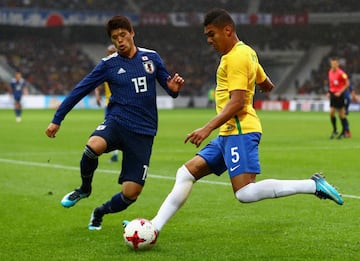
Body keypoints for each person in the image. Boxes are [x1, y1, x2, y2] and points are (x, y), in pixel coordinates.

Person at [136, 9, 343, 235]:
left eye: (211, 34)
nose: (208, 40)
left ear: (228, 30)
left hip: (240, 130)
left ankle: (313, 185)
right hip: (228, 133)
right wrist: (258, 83)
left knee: (244, 193)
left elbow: (238, 103)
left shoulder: (236, 56)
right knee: (185, 173)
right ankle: (154, 227)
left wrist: (206, 128)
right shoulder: (247, 53)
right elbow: (267, 85)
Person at [45, 15, 184, 231]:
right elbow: (79, 90)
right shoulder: (108, 65)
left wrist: (174, 88)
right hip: (117, 123)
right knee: (93, 146)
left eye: (123, 35)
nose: (119, 40)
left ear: (132, 34)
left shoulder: (152, 58)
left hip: (143, 133)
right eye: (114, 37)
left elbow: (169, 87)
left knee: (131, 194)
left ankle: (99, 212)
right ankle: (84, 188)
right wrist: (57, 119)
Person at [94, 44, 119, 162]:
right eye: (109, 52)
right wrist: (98, 96)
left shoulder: (123, 65)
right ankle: (115, 154)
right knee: (112, 129)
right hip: (110, 104)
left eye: (113, 51)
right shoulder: (106, 67)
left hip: (122, 104)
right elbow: (97, 83)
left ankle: (117, 154)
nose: (111, 54)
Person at [328, 57, 351, 139]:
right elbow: (331, 84)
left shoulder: (341, 73)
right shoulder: (330, 72)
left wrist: (340, 92)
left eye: (335, 64)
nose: (333, 65)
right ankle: (335, 130)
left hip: (339, 95)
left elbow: (347, 83)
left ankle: (344, 132)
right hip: (333, 94)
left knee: (341, 114)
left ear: (338, 64)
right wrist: (329, 92)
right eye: (332, 64)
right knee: (331, 113)